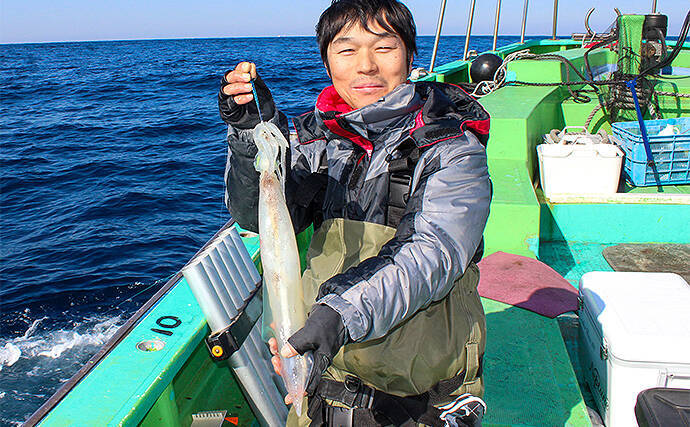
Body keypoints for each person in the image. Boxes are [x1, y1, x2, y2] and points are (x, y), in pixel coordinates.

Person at [218, 1, 491, 425]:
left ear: (410, 56)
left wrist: (337, 315)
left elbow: (434, 253)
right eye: (346, 50)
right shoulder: (320, 140)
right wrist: (253, 138)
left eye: (384, 47)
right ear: (327, 62)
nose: (366, 66)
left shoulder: (452, 150)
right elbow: (261, 217)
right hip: (322, 382)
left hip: (417, 401)